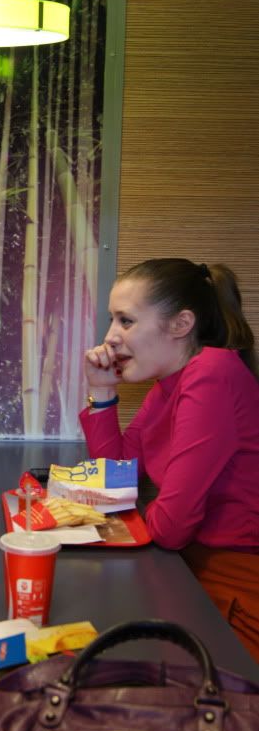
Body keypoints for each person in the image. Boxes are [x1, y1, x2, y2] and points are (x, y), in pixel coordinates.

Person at [81, 258, 259, 661]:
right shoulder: (167, 386)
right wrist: (102, 391)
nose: (109, 337)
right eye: (111, 320)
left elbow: (172, 528)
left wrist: (151, 514)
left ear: (181, 325)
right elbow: (113, 479)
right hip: (189, 572)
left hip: (236, 588)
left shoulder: (211, 374)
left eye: (126, 321)